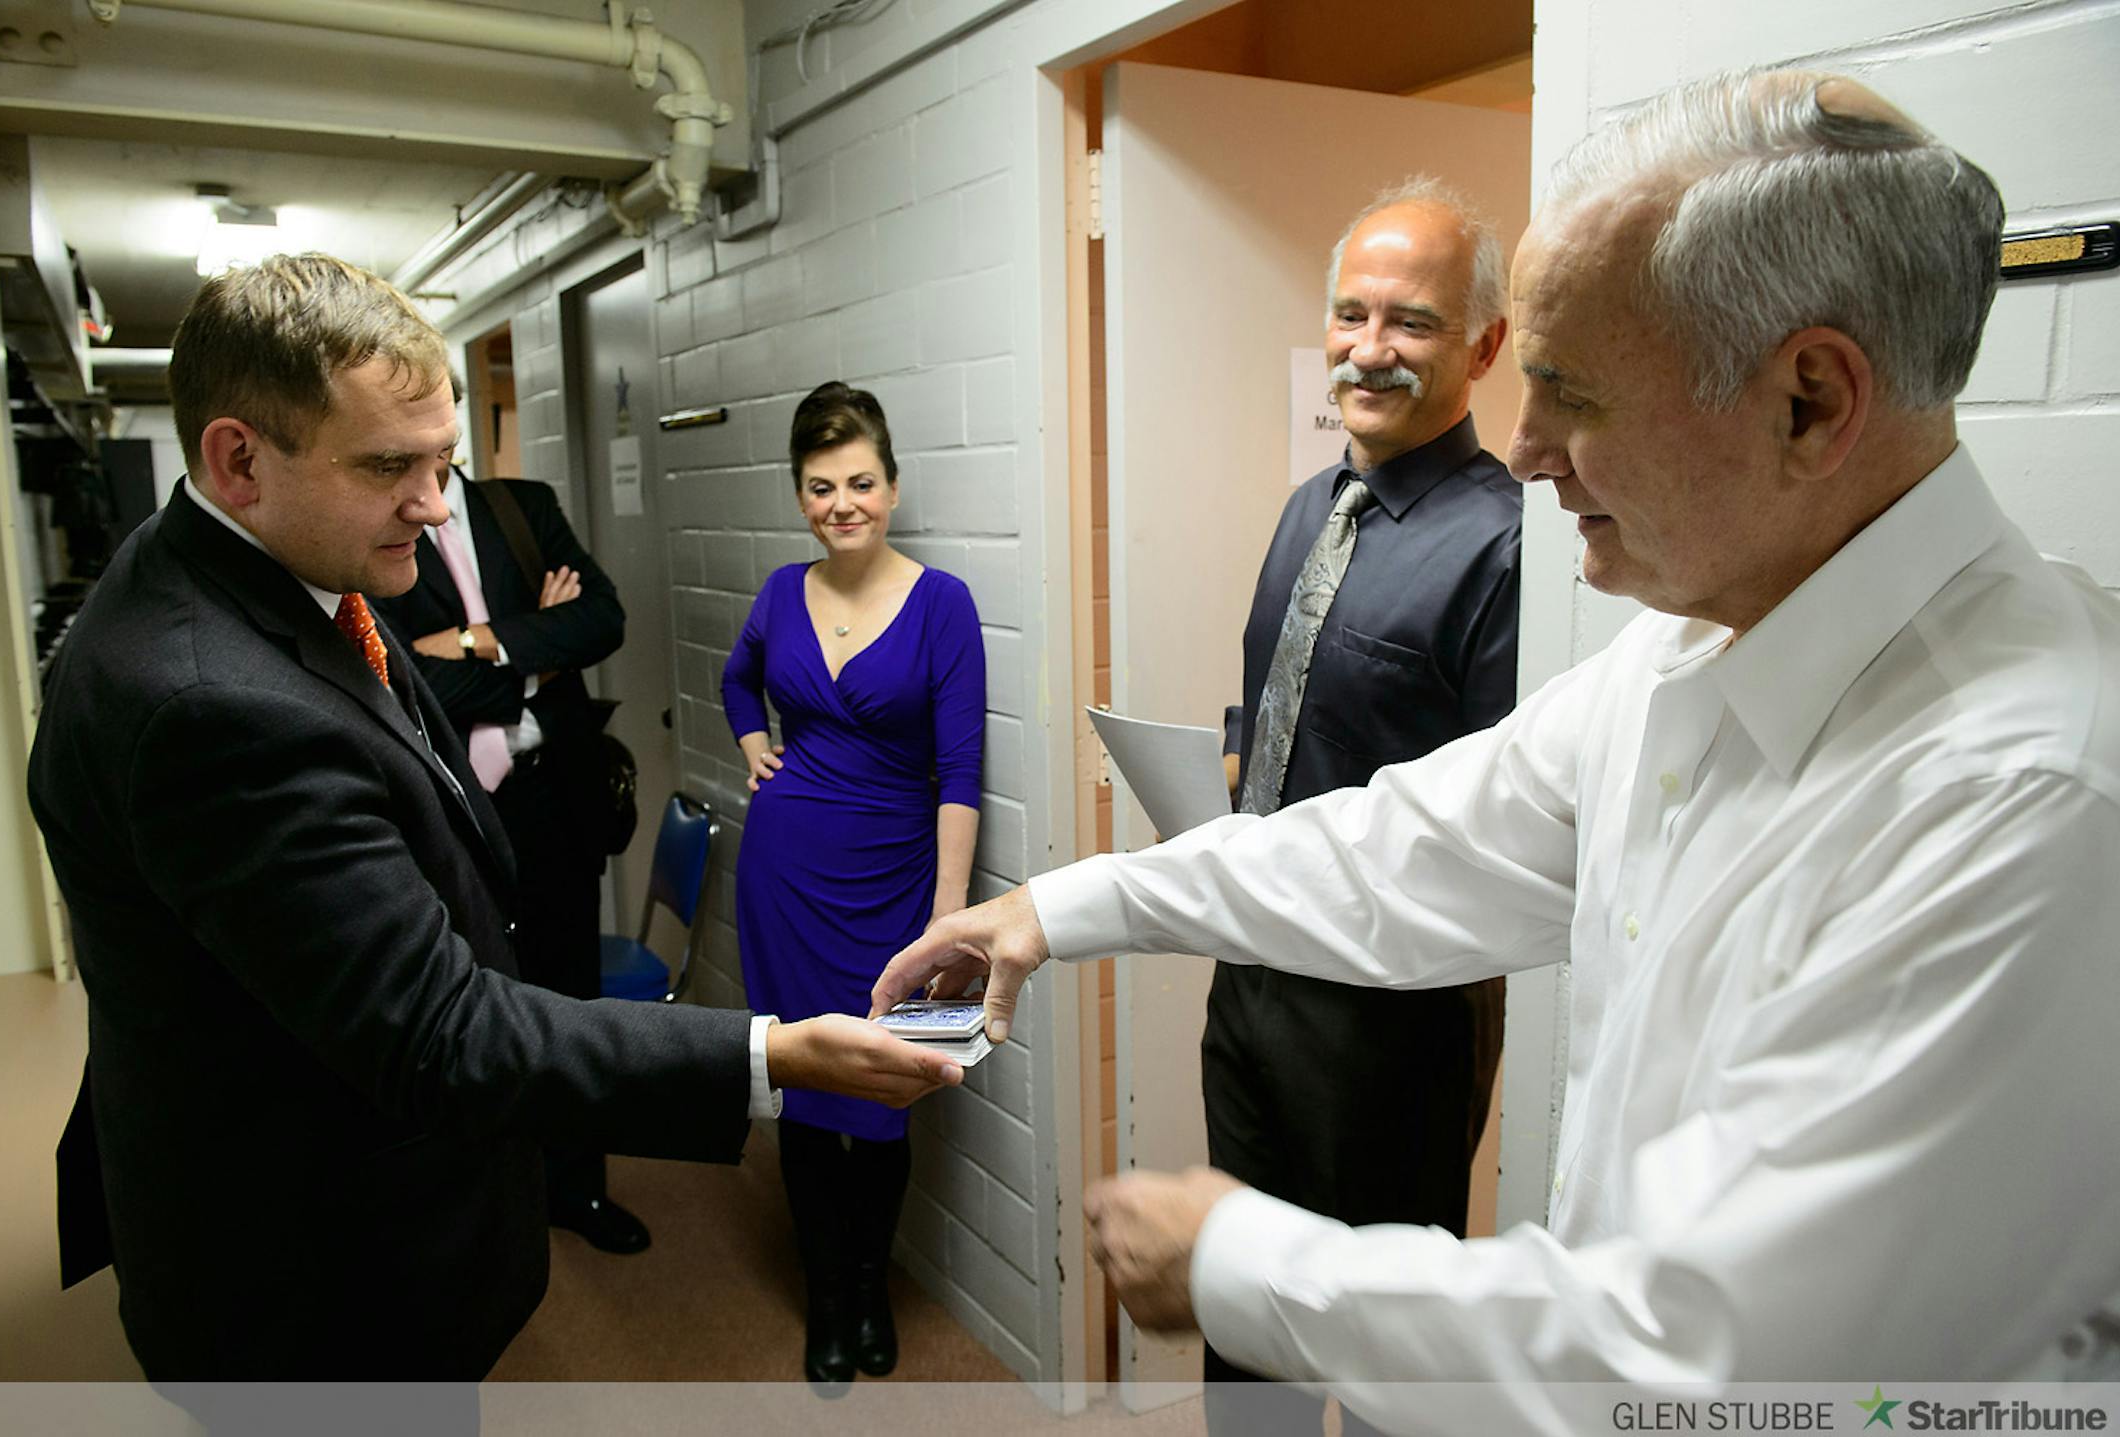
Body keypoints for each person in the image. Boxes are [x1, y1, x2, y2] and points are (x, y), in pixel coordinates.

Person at [876, 69, 2120, 1430]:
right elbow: (1399, 848)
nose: (1523, 451)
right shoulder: (1692, 645)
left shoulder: (2026, 798)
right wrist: (1056, 908)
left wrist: (1241, 1258)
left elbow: (1713, 1359)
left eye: (1573, 394)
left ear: (1811, 401)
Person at [26, 254, 962, 1381]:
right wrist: (771, 1054)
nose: (432, 506)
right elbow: (436, 1030)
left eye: (445, 464)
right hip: (311, 1264)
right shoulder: (209, 701)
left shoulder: (281, 576)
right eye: (390, 468)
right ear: (238, 459)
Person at [1207, 177, 1519, 1435]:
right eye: (1351, 314)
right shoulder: (1306, 509)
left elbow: (1507, 825)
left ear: (1484, 345)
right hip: (1253, 987)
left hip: (1389, 1027)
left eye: (1414, 323)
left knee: (1390, 1364)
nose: (1369, 349)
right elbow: (1268, 704)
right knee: (1249, 1326)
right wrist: (1234, 766)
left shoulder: (1504, 549)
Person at [721, 380, 985, 1385]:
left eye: (862, 482)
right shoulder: (781, 593)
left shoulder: (942, 605)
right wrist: (753, 743)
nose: (844, 504)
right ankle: (826, 1300)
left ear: (894, 486)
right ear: (800, 496)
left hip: (893, 882)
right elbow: (737, 677)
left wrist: (948, 913)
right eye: (822, 486)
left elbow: (960, 772)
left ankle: (871, 1286)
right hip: (783, 878)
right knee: (799, 1091)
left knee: (882, 1097)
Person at [371, 454, 652, 1255]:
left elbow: (602, 619)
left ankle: (579, 1189)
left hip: (551, 798)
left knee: (569, 998)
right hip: (454, 808)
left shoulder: (522, 509)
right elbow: (395, 676)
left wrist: (472, 641)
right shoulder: (380, 522)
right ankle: (492, 1201)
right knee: (471, 1002)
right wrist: (535, 654)